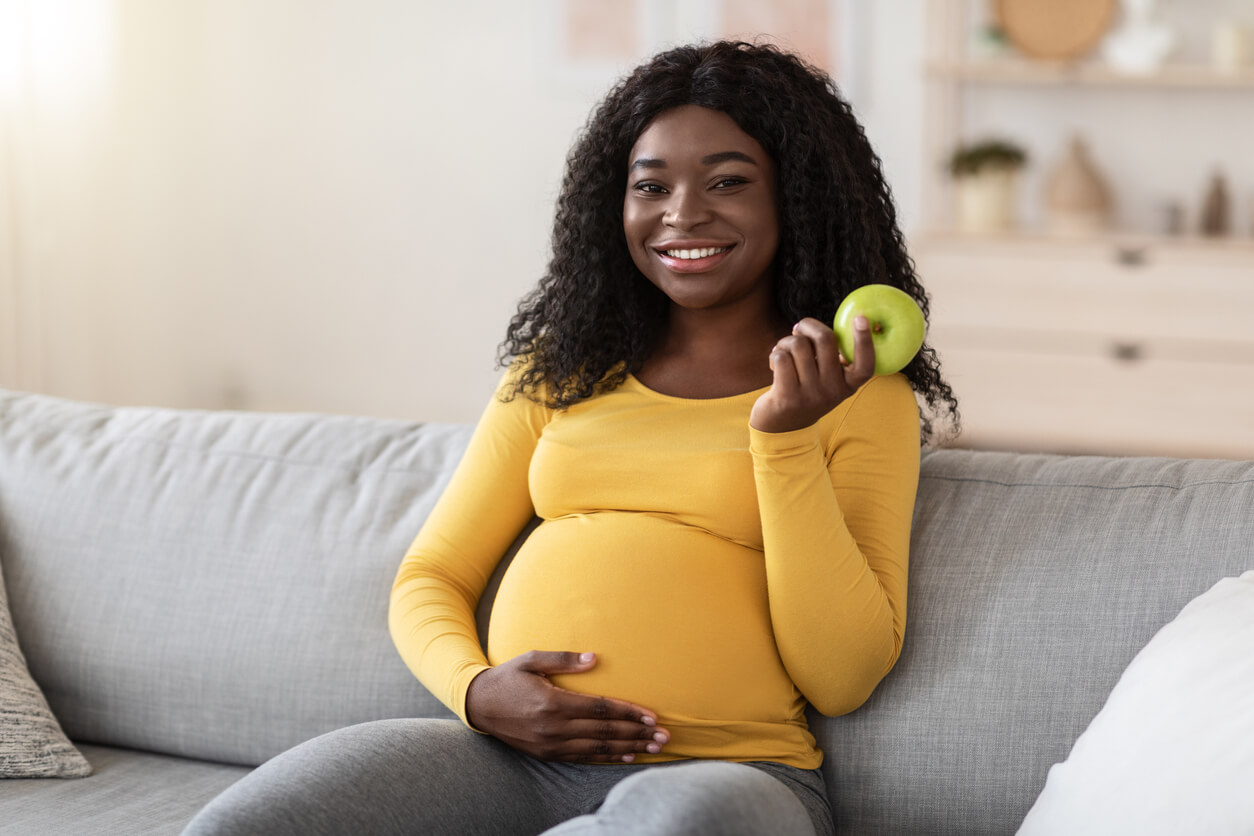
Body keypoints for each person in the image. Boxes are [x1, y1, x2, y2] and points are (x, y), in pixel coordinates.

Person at [184, 40, 958, 836]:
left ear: (796, 199)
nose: (682, 213)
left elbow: (843, 677)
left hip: (729, 778)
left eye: (728, 181)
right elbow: (432, 575)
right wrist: (477, 693)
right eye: (650, 186)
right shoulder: (559, 371)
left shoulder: (854, 394)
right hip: (506, 766)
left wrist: (785, 442)